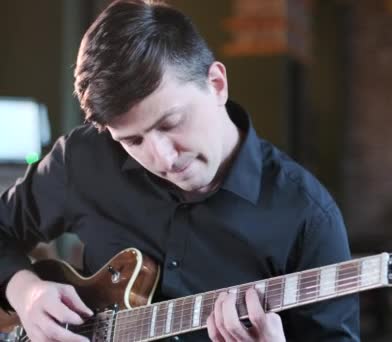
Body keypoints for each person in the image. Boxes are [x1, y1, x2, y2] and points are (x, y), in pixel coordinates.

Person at [0, 0, 359, 341]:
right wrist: (25, 291)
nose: (163, 157)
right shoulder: (84, 159)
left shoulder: (309, 217)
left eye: (171, 122)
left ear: (217, 83)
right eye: (133, 140)